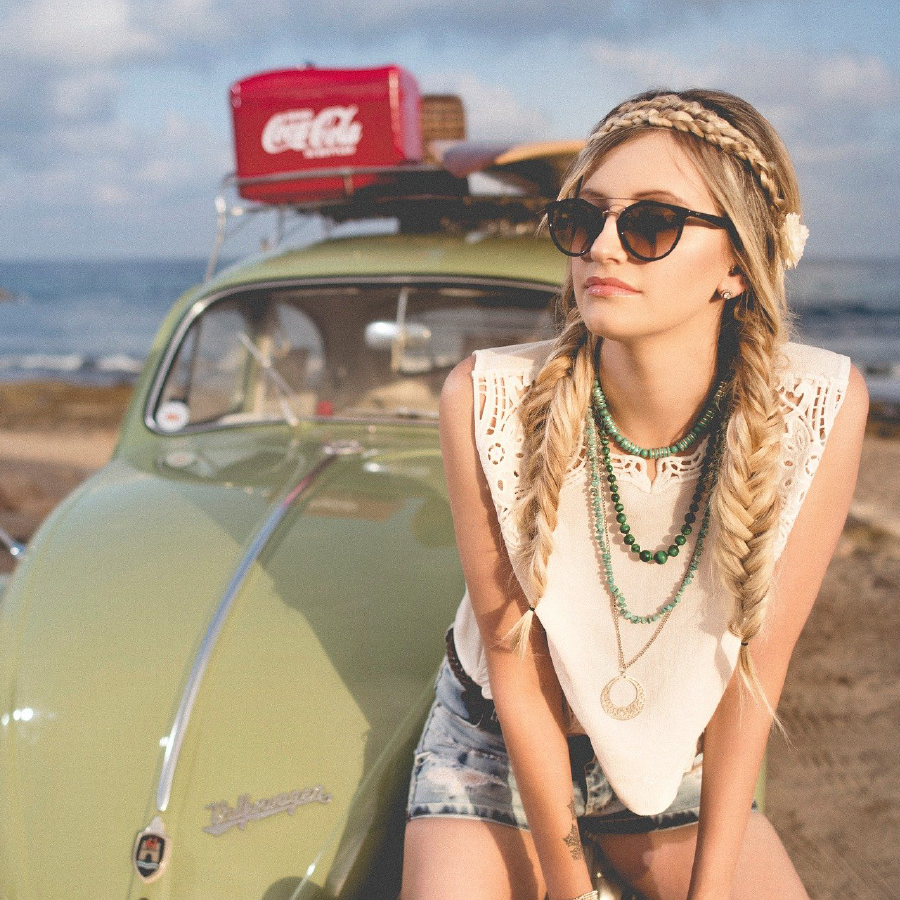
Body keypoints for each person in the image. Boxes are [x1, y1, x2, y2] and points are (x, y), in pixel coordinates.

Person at [398, 88, 868, 900]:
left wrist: (710, 889)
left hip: (672, 751)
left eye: (651, 224)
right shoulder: (488, 398)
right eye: (585, 220)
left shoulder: (820, 406)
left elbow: (760, 673)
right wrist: (572, 889)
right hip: (497, 746)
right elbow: (517, 670)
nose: (603, 247)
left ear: (736, 264)